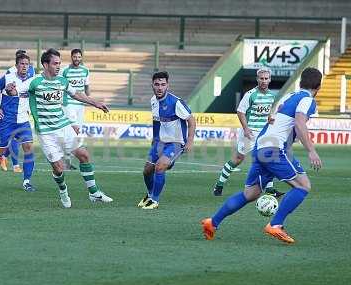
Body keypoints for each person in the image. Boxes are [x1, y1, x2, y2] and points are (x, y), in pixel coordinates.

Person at [202, 67, 323, 244]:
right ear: (318, 86)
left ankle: (212, 222)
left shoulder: (288, 97)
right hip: (275, 149)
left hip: (261, 147)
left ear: (300, 82)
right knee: (303, 186)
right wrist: (311, 150)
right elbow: (299, 123)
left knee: (250, 194)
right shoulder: (307, 100)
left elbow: (272, 119)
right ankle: (276, 225)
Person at [23, 48, 112, 208]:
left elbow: (77, 94)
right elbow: (18, 89)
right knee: (59, 168)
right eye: (55, 63)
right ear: (45, 64)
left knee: (84, 155)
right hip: (46, 132)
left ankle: (94, 192)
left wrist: (96, 103)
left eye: (59, 63)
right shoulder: (34, 82)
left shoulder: (62, 81)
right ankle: (63, 191)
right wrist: (11, 90)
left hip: (63, 126)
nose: (58, 66)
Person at [213, 68, 283, 198]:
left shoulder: (271, 96)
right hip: (249, 132)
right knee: (238, 159)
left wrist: (271, 120)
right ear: (257, 79)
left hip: (263, 133)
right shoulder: (250, 94)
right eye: (261, 78)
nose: (264, 81)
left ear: (270, 79)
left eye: (266, 78)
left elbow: (267, 114)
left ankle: (270, 189)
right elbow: (240, 111)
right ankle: (219, 184)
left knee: (267, 158)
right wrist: (245, 128)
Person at [0, 53, 36, 192]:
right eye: (21, 64)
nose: (24, 66)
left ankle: (27, 181)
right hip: (6, 121)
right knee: (0, 151)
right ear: (16, 66)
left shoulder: (32, 79)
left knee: (28, 148)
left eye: (26, 64)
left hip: (23, 121)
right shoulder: (8, 78)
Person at [137, 71, 196, 210]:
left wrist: (190, 141)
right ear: (152, 85)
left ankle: (155, 201)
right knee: (147, 171)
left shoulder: (176, 102)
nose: (159, 88)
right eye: (157, 84)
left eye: (163, 84)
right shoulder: (153, 101)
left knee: (160, 166)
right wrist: (154, 138)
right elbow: (156, 121)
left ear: (167, 85)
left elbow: (191, 121)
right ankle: (150, 194)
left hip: (176, 142)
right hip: (160, 142)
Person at [0, 49, 36, 173]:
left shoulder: (31, 71)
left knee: (20, 141)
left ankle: (4, 156)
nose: (24, 65)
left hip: (23, 110)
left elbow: (31, 89)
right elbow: (1, 90)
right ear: (16, 61)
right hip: (9, 110)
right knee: (13, 139)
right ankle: (14, 164)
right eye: (21, 61)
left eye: (26, 62)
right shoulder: (10, 72)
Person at [61, 48, 91, 170]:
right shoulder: (65, 71)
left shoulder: (85, 70)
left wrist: (89, 100)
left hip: (81, 104)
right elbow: (61, 86)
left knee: (78, 131)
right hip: (69, 104)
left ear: (81, 58)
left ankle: (70, 159)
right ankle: (66, 159)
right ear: (71, 57)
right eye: (75, 57)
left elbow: (87, 87)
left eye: (79, 57)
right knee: (72, 130)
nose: (77, 59)